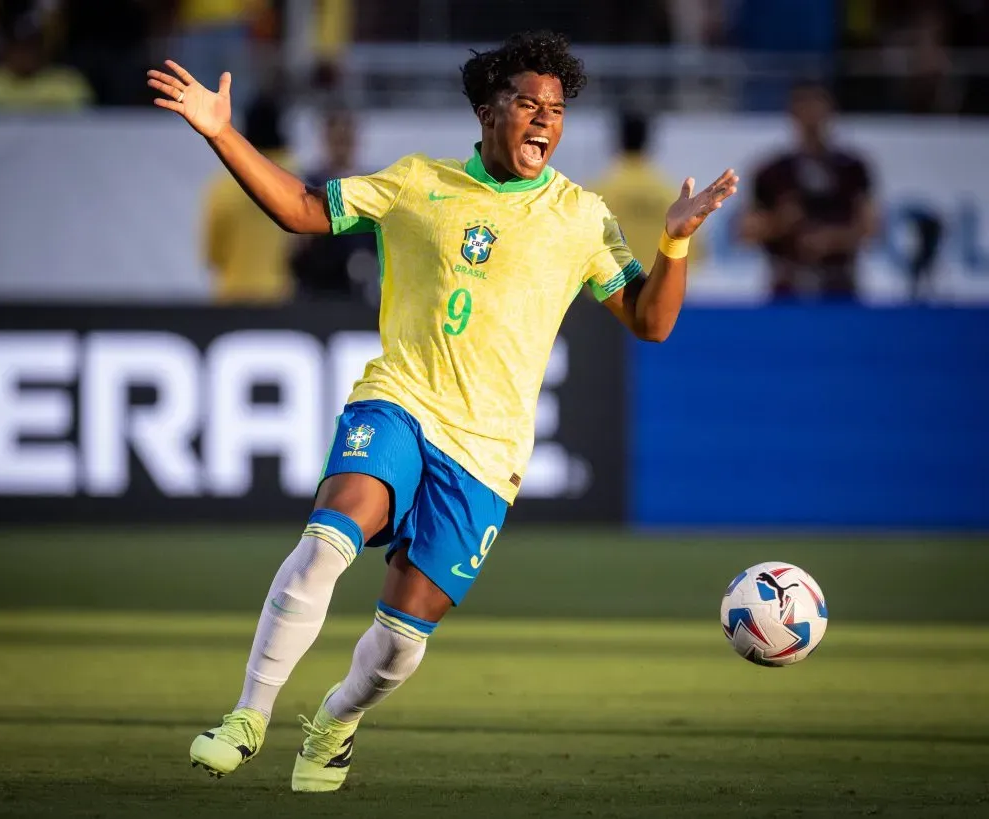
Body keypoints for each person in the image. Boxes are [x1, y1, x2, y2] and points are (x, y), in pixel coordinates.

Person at [147, 30, 736, 793]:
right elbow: (298, 208)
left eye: (555, 109)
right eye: (527, 103)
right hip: (400, 399)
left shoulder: (582, 218)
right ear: (488, 111)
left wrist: (676, 243)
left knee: (399, 642)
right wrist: (222, 130)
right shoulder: (414, 185)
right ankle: (248, 715)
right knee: (329, 537)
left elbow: (651, 323)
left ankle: (336, 722)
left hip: (488, 452)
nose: (544, 121)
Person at [739, 81, 878, 301]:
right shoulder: (772, 172)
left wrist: (832, 239)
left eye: (816, 104)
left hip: (839, 283)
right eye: (804, 105)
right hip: (788, 282)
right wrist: (779, 222)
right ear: (792, 112)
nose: (811, 114)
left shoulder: (852, 169)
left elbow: (871, 227)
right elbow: (746, 231)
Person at [202, 92, 297, 304]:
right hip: (280, 299)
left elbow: (213, 255)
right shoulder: (295, 179)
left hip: (232, 297)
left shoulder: (223, 186)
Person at [589, 110, 705, 270]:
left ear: (617, 141)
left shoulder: (596, 193)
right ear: (648, 142)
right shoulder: (671, 195)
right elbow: (693, 252)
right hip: (658, 288)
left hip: (608, 289)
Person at [290, 107, 380, 303]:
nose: (341, 147)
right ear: (326, 141)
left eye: (346, 140)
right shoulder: (310, 184)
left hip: (359, 292)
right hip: (316, 288)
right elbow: (295, 247)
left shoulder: (371, 186)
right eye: (336, 140)